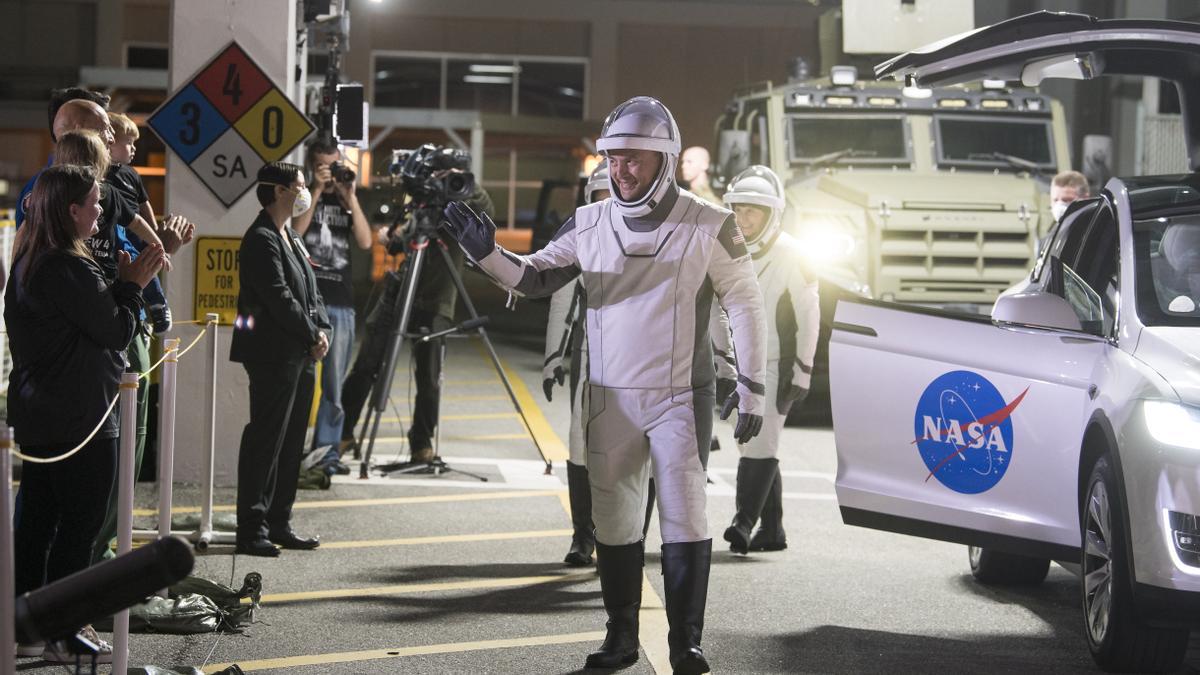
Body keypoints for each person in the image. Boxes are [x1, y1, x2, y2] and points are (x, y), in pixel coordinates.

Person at [443, 96, 767, 674]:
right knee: (614, 523)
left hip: (679, 397)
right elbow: (537, 275)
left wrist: (753, 383)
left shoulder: (709, 223)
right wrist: (485, 255)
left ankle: (684, 643)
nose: (621, 171)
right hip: (608, 396)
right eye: (613, 159)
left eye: (634, 159)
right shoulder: (589, 221)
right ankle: (620, 635)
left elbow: (744, 302)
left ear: (664, 158)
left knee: (686, 516)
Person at [7, 165, 165, 662]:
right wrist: (135, 282)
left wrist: (120, 286)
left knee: (38, 526)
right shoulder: (67, 267)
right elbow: (116, 331)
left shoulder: (32, 260)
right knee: (78, 529)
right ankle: (61, 632)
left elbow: (89, 324)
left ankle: (30, 629)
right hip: (82, 419)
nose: (103, 210)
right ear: (71, 210)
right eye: (96, 202)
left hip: (41, 413)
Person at [339, 176, 493, 463]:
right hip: (398, 296)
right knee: (366, 365)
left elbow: (486, 208)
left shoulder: (459, 214)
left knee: (428, 378)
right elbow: (403, 241)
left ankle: (421, 444)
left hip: (435, 302)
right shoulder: (420, 209)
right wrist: (392, 237)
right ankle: (343, 434)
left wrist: (458, 178)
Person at [714, 165, 819, 554]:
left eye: (752, 211)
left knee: (758, 443)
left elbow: (811, 315)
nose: (743, 219)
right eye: (738, 210)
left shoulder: (794, 252)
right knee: (757, 445)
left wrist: (803, 370)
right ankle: (772, 531)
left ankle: (743, 523)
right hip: (736, 365)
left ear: (772, 213)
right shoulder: (725, 246)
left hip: (775, 363)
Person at [230, 162, 331, 557]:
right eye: (299, 186)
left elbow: (309, 289)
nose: (304, 192)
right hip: (273, 354)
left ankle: (279, 522)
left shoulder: (289, 236)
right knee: (265, 440)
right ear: (278, 191)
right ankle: (251, 528)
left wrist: (319, 331)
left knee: (291, 443)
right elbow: (277, 296)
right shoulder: (261, 239)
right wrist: (311, 333)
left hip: (300, 352)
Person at [543, 163, 609, 567]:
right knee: (580, 445)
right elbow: (561, 300)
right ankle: (582, 536)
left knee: (639, 457)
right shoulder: (580, 235)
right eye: (600, 195)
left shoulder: (659, 234)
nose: (608, 203)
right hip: (590, 360)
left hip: (644, 368)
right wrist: (553, 358)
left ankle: (627, 540)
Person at [292, 140, 372, 470]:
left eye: (334, 163)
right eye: (323, 164)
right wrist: (316, 187)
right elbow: (297, 233)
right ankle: (294, 448)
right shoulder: (303, 196)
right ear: (312, 165)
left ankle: (327, 453)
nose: (330, 169)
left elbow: (366, 242)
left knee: (334, 384)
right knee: (302, 379)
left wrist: (349, 194)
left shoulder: (347, 200)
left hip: (341, 302)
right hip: (309, 301)